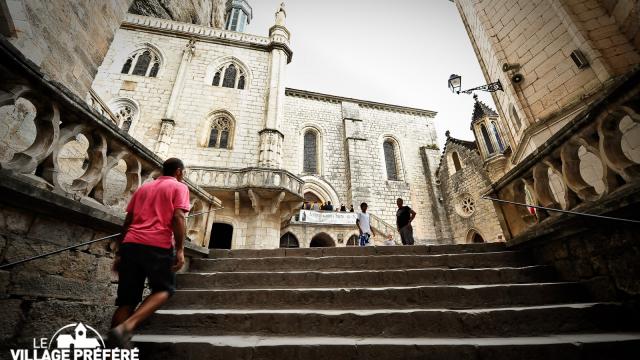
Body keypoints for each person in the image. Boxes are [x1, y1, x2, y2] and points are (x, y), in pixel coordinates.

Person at [106, 158, 191, 348]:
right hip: (157, 245)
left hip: (130, 245)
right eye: (183, 172)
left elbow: (128, 220)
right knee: (164, 289)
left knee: (126, 301)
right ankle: (127, 327)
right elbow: (178, 216)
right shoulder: (179, 187)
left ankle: (112, 351)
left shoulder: (144, 187)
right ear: (179, 171)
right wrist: (180, 249)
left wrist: (120, 251)